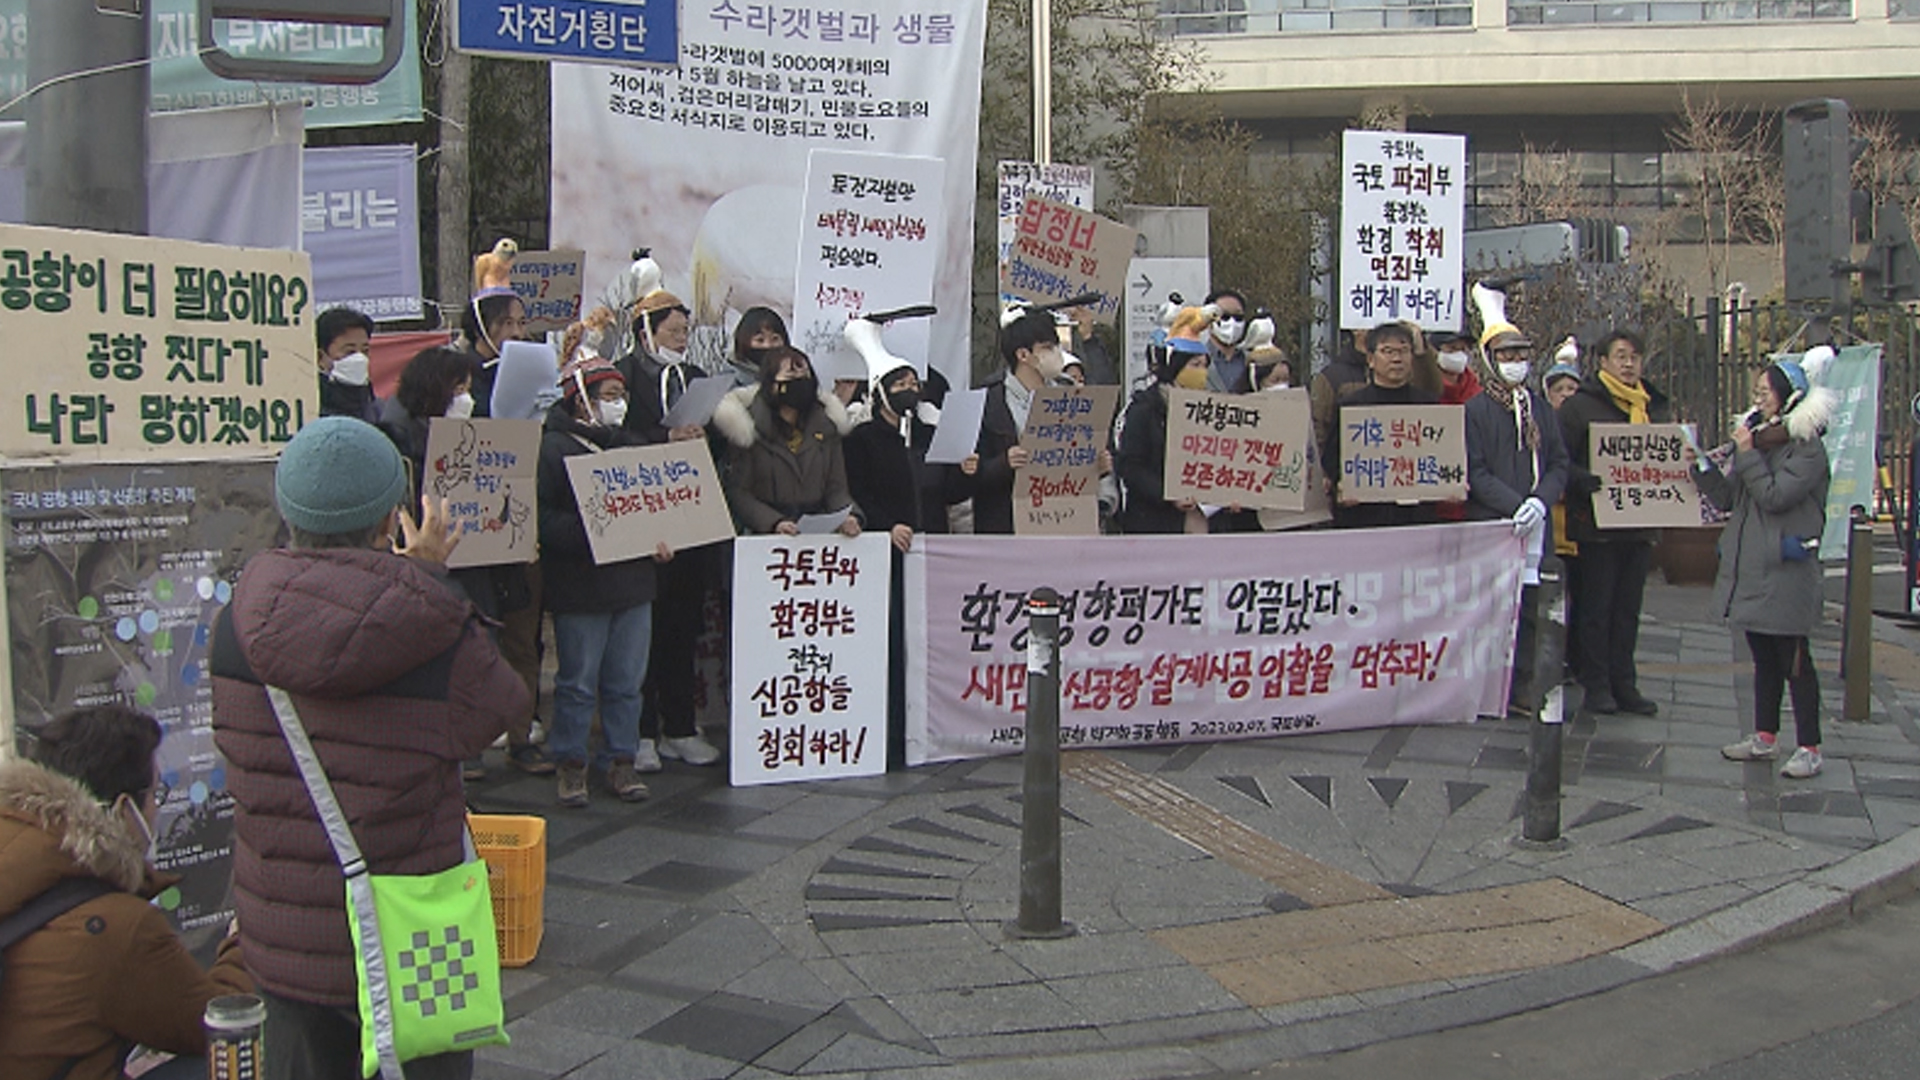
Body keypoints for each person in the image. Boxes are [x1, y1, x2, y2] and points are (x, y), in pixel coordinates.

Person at [210, 416, 527, 1079]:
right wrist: (430, 579)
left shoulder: (237, 622)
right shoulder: (431, 623)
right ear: (393, 518)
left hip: (283, 929)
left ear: (288, 511)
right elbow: (502, 711)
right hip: (409, 931)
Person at [0, 706, 253, 1080]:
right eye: (155, 793)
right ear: (123, 810)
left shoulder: (19, 854)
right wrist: (241, 941)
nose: (156, 808)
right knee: (221, 1066)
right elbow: (215, 1024)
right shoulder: (113, 927)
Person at [377, 347, 546, 777]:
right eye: (457, 391)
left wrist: (518, 537)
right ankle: (455, 751)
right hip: (432, 567)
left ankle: (484, 741)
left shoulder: (484, 436)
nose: (465, 400)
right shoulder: (399, 438)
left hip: (484, 567)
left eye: (468, 390)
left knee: (484, 650)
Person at [539, 356, 677, 805]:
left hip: (634, 583)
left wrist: (662, 538)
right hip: (580, 586)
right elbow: (541, 520)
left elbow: (656, 509)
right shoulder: (553, 448)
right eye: (610, 398)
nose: (618, 407)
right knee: (577, 682)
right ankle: (571, 763)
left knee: (626, 680)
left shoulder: (629, 447)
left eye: (622, 398)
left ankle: (621, 759)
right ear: (582, 401)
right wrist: (595, 531)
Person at [1695, 358, 1834, 779]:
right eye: (1756, 392)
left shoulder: (1806, 447)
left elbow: (1775, 495)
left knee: (1793, 659)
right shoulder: (1757, 443)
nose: (1758, 400)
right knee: (1763, 657)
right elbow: (1730, 499)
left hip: (1787, 569)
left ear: (1789, 398)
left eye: (1765, 392)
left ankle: (1810, 746)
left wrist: (1748, 455)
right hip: (1753, 568)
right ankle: (1765, 736)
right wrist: (1700, 467)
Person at [614, 289, 724, 772]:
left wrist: (703, 436)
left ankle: (680, 725)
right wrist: (664, 438)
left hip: (687, 514)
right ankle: (639, 731)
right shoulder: (622, 374)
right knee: (640, 630)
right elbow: (613, 439)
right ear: (647, 331)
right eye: (672, 331)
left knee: (682, 625)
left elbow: (719, 441)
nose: (681, 339)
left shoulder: (695, 378)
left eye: (685, 332)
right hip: (641, 513)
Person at [1559, 328, 1672, 716]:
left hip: (1639, 525)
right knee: (1596, 608)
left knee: (1627, 610)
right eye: (1621, 356)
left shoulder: (1653, 406)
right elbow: (1561, 461)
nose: (1628, 364)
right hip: (1596, 526)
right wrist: (1583, 480)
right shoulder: (1579, 408)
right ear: (1603, 362)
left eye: (1635, 357)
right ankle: (1596, 684)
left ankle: (1625, 683)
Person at [1463, 303, 1569, 716]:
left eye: (1521, 355)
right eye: (1506, 356)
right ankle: (1493, 686)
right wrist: (1515, 503)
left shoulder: (1539, 408)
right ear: (1490, 360)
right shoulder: (1475, 410)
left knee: (1534, 610)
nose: (1515, 364)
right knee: (1494, 610)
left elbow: (1559, 461)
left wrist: (1541, 501)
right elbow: (1475, 469)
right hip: (1494, 522)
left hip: (1538, 524)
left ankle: (1527, 684)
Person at [714, 346, 863, 537]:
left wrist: (848, 516)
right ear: (772, 384)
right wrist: (774, 522)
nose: (801, 383)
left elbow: (836, 488)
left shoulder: (826, 426)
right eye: (792, 377)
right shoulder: (748, 428)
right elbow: (739, 492)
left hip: (818, 532)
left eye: (805, 376)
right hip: (768, 536)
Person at [1330, 321, 1442, 529]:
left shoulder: (1428, 406)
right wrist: (1341, 486)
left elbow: (1442, 459)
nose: (1397, 359)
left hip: (1417, 520)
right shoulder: (1351, 407)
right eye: (1388, 351)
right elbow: (1332, 461)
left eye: (1403, 351)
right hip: (1363, 520)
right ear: (1371, 359)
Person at [972, 307, 1062, 535]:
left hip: (1060, 520)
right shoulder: (987, 400)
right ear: (1023, 355)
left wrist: (1097, 466)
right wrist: (1003, 463)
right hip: (1006, 524)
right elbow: (968, 475)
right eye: (1047, 348)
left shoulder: (1069, 394)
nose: (1056, 354)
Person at [1118, 337, 1212, 535]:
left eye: (1205, 365)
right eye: (1195, 365)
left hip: (1201, 522)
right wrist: (1167, 494)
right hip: (1153, 522)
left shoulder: (1212, 410)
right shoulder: (1144, 408)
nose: (1202, 372)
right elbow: (1130, 467)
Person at [460, 288, 530, 417]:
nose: (517, 333)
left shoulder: (529, 371)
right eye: (506, 323)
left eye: (522, 323)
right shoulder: (457, 373)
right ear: (478, 328)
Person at [315, 306, 380, 423]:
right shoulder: (310, 407)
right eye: (349, 352)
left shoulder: (374, 407)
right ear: (320, 357)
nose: (360, 359)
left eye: (365, 351)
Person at [1202, 288, 1253, 394]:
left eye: (1238, 317)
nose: (1232, 322)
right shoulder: (1193, 361)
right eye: (1224, 316)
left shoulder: (1254, 361)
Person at [726, 306, 790, 389]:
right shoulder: (729, 383)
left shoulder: (794, 375)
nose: (768, 345)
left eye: (775, 339)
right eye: (760, 340)